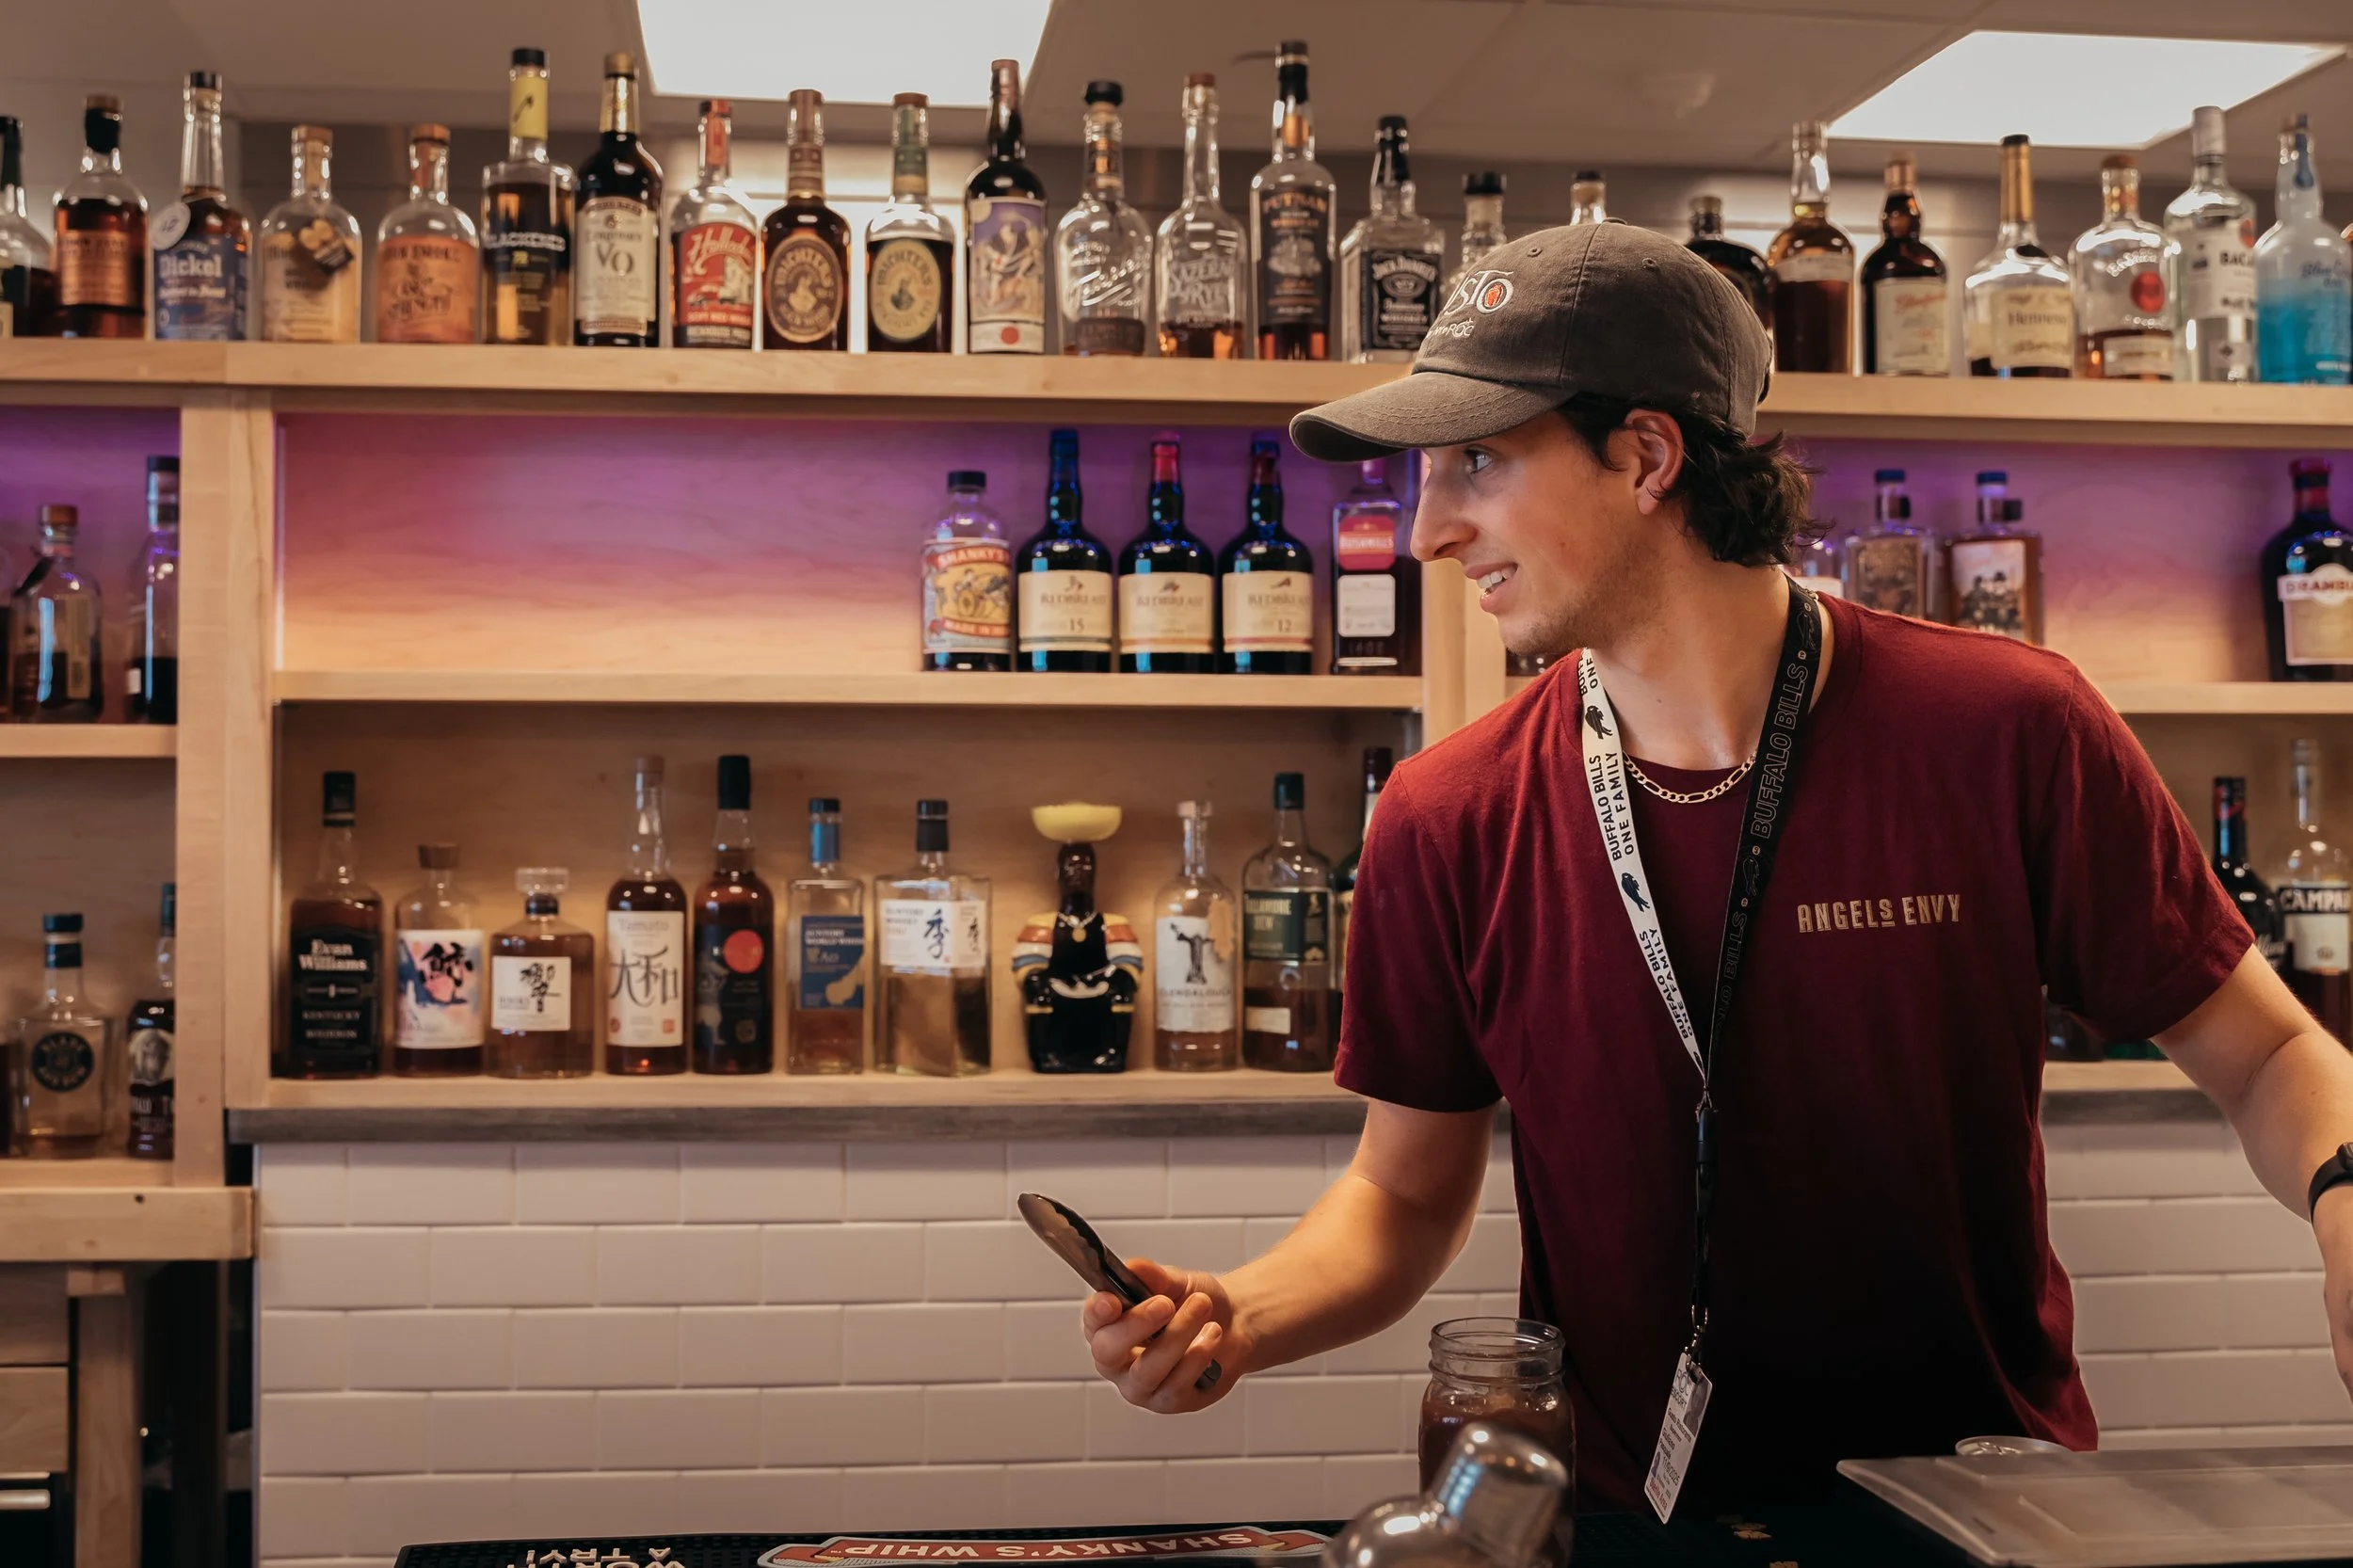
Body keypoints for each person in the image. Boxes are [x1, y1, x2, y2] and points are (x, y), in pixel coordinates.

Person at [1080, 220, 2353, 1512]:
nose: (1426, 534)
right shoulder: (1446, 815)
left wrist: (2347, 1191)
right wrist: (1237, 1312)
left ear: (1645, 454)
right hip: (1624, 1524)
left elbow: (2268, 1053)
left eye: (1476, 461)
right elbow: (1403, 1196)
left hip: (1982, 1508)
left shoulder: (2009, 728)